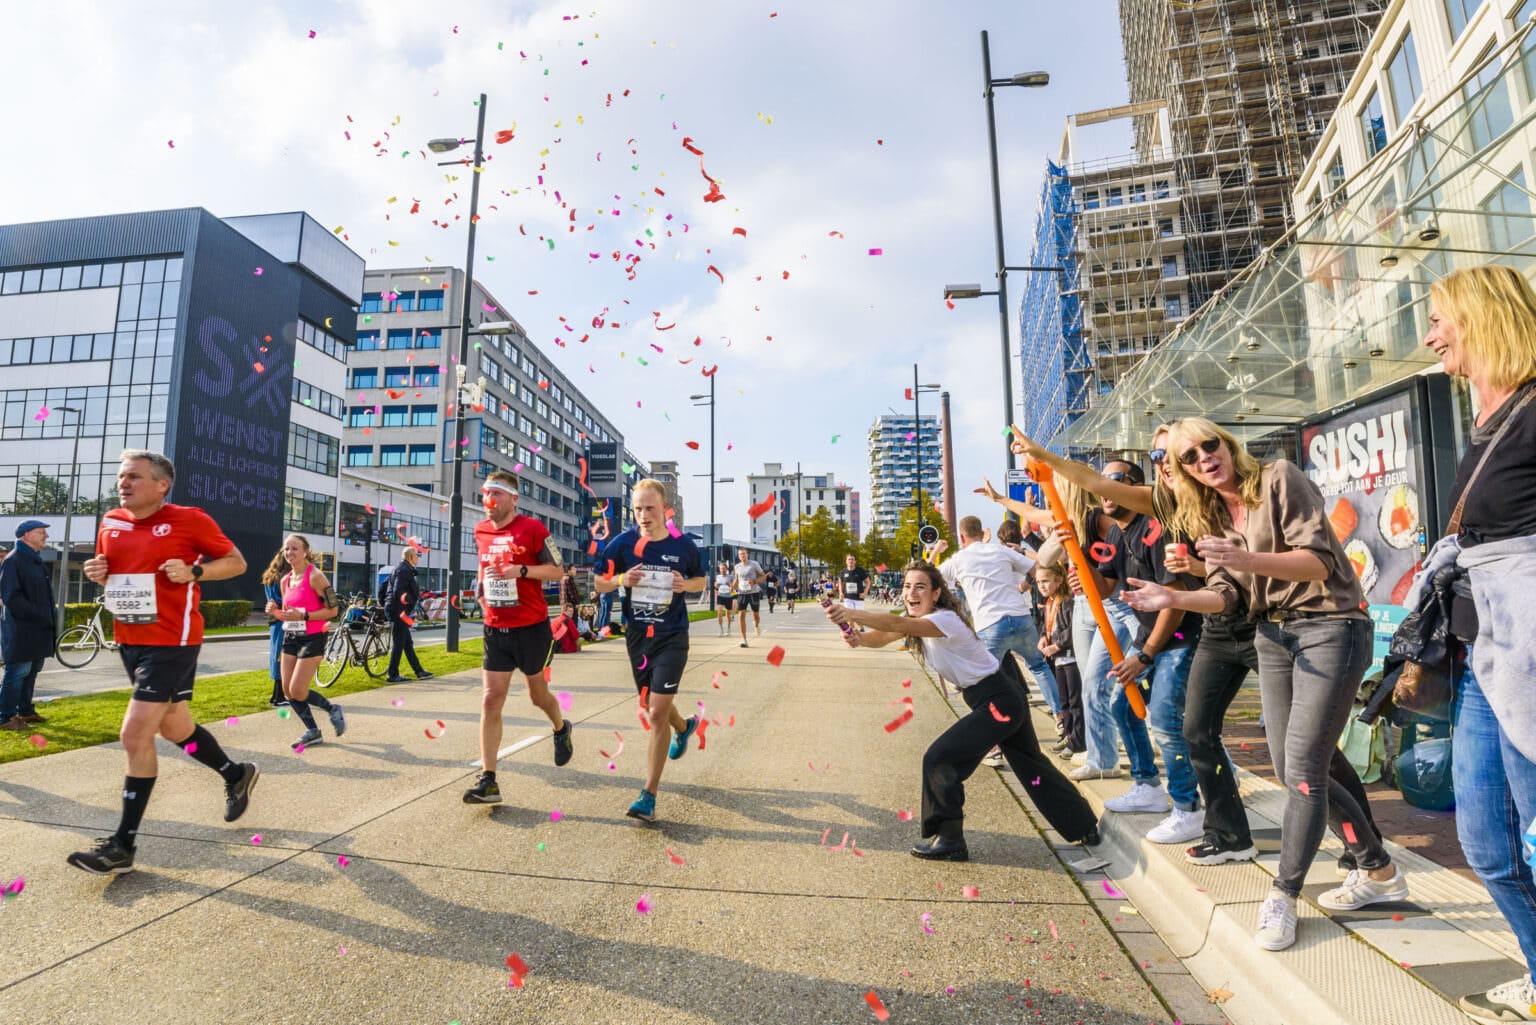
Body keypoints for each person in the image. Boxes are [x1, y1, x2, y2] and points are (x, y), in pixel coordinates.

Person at [1121, 418, 1406, 952]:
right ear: (1182, 471)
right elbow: (1227, 594)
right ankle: (1379, 869)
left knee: (1303, 771)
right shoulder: (1207, 514)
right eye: (1190, 455)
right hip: (1273, 635)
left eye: (1212, 444)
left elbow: (1320, 563)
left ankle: (1283, 894)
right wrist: (1174, 599)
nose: (1205, 456)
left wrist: (1244, 559)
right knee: (1291, 768)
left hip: (1332, 627)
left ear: (1228, 446)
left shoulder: (1278, 478)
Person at [1009, 426, 1259, 865]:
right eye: (1107, 483)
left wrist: (1143, 654)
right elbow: (1108, 590)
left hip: (1183, 638)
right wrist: (1081, 565)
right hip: (1154, 638)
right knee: (1124, 706)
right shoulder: (1121, 536)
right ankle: (1148, 786)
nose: (1109, 491)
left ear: (1137, 487)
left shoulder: (1159, 525)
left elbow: (1175, 602)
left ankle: (1187, 807)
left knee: (1167, 718)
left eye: (1121, 481)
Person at [1412, 266, 1536, 1025]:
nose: (1428, 337)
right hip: (1485, 651)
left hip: (1528, 649)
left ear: (1479, 317)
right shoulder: (1486, 422)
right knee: (1488, 841)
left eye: (1436, 319)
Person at [825, 562, 1100, 860]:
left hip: (998, 700)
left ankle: (950, 839)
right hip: (999, 697)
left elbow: (897, 626)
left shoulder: (946, 620)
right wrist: (860, 638)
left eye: (920, 587)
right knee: (1032, 765)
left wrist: (850, 612)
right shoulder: (923, 618)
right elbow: (886, 634)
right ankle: (1085, 826)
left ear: (937, 593)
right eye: (906, 586)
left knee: (940, 758)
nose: (910, 593)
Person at [66, 451, 257, 875]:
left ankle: (122, 846)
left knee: (134, 735)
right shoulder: (111, 521)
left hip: (173, 640)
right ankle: (234, 772)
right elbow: (112, 570)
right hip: (130, 638)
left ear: (161, 484)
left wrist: (195, 572)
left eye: (133, 476)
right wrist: (99, 570)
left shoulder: (190, 519)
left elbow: (236, 563)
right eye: (121, 477)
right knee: (175, 727)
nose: (123, 483)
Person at [594, 478, 707, 822]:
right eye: (638, 509)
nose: (643, 515)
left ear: (664, 509)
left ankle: (648, 795)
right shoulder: (622, 544)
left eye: (650, 508)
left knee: (656, 713)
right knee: (650, 702)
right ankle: (685, 727)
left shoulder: (682, 545)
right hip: (637, 637)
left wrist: (683, 585)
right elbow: (597, 581)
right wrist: (619, 581)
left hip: (672, 635)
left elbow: (700, 582)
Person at [463, 470, 573, 805]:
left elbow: (558, 570)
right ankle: (489, 779)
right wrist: (481, 593)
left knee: (538, 697)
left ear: (514, 498)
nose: (489, 501)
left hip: (531, 628)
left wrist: (522, 571)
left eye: (496, 494)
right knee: (490, 699)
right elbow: (484, 568)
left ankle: (560, 727)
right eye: (485, 493)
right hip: (495, 628)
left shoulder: (534, 529)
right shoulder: (480, 530)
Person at [939, 516, 1062, 722]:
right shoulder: (1000, 550)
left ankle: (993, 733)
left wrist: (936, 552)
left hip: (990, 624)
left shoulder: (959, 559)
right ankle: (1061, 718)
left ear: (962, 537)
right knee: (1039, 666)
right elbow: (1035, 568)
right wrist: (1027, 586)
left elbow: (932, 577)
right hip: (1020, 617)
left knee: (983, 678)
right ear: (981, 533)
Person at [262, 535, 345, 749]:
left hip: (314, 636)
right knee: (288, 691)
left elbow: (334, 610)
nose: (289, 553)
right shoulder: (285, 580)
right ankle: (312, 731)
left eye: (295, 548)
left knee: (298, 690)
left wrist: (305, 616)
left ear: (306, 551)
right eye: (286, 549)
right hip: (291, 637)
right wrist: (275, 612)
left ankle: (332, 708)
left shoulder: (316, 577)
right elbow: (288, 615)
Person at [1, 520, 56, 731]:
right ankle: (5, 717)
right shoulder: (14, 560)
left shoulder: (34, 560)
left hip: (37, 629)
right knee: (17, 672)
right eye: (40, 532)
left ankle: (25, 711)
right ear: (25, 535)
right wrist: (39, 615)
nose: (46, 536)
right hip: (22, 629)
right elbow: (11, 597)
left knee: (31, 670)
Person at [1035, 562, 1083, 756]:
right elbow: (1046, 626)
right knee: (1064, 702)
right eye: (1038, 582)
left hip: (1070, 658)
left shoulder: (1067, 601)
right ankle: (1069, 736)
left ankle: (1078, 742)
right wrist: (1042, 638)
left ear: (1059, 580)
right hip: (1058, 659)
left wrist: (1058, 645)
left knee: (1075, 702)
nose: (1042, 586)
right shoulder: (1049, 603)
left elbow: (1073, 629)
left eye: (1046, 581)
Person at [385, 548, 434, 683]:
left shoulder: (401, 569)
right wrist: (407, 607)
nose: (418, 558)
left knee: (407, 643)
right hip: (399, 611)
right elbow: (398, 592)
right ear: (411, 556)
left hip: (398, 610)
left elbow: (384, 587)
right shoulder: (403, 570)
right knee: (399, 643)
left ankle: (419, 671)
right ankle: (392, 674)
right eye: (417, 556)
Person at [732, 547, 765, 647]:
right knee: (741, 615)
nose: (742, 556)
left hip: (753, 593)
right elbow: (737, 579)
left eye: (744, 554)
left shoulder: (754, 564)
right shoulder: (737, 566)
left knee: (756, 615)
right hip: (742, 593)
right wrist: (733, 586)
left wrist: (754, 581)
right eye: (740, 554)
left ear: (747, 554)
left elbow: (763, 576)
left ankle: (756, 625)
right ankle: (744, 639)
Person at [261, 575, 286, 707]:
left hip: (273, 621)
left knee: (276, 655)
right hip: (283, 618)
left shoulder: (269, 578)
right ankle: (279, 696)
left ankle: (277, 695)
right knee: (282, 656)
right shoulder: (284, 579)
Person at [714, 563, 735, 636]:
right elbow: (716, 587)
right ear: (719, 569)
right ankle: (721, 630)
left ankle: (728, 629)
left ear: (726, 569)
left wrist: (729, 583)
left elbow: (733, 589)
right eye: (721, 568)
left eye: (724, 568)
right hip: (720, 596)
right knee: (719, 613)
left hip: (728, 597)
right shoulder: (718, 576)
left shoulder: (731, 577)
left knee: (728, 614)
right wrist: (716, 585)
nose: (722, 570)